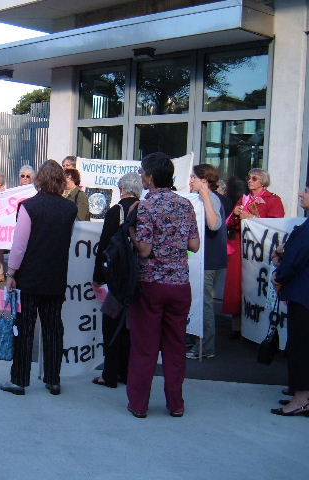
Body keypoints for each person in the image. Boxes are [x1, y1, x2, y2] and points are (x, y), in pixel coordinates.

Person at [126, 152, 199, 418]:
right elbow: (194, 245)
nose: (142, 177)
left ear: (151, 176)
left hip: (151, 284)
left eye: (144, 173)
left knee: (145, 347)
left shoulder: (145, 207)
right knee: (175, 346)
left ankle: (139, 403)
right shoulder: (185, 204)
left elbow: (144, 250)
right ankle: (176, 403)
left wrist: (131, 232)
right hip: (180, 284)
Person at [0, 160, 77, 396]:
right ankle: (53, 379)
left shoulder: (29, 206)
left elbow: (19, 246)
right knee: (54, 328)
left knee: (24, 328)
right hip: (55, 276)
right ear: (61, 182)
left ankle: (19, 380)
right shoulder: (70, 209)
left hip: (30, 278)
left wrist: (11, 273)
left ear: (39, 180)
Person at [92, 172, 142, 388]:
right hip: (139, 275)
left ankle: (110, 373)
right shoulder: (145, 209)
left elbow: (104, 246)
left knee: (111, 324)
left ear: (122, 189)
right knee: (131, 327)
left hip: (118, 277)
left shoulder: (116, 211)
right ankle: (126, 371)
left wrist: (97, 277)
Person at [224, 168, 284, 338]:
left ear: (263, 182)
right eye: (249, 178)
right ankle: (237, 326)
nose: (250, 181)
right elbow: (230, 225)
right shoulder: (243, 199)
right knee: (237, 284)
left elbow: (276, 225)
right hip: (241, 247)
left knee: (256, 285)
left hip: (260, 251)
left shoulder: (272, 200)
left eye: (254, 178)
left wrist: (251, 218)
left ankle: (259, 327)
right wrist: (235, 215)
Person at [271, 184, 309, 417]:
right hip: (301, 292)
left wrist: (280, 275)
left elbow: (297, 256)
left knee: (302, 346)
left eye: (306, 190)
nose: (301, 195)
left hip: (303, 295)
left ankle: (302, 397)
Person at [186, 164, 227, 359]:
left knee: (204, 303)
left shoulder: (212, 199)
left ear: (204, 180)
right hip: (201, 259)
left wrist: (205, 195)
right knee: (197, 301)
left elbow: (214, 224)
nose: (190, 180)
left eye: (194, 177)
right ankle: (196, 340)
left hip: (209, 260)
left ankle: (206, 346)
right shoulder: (198, 199)